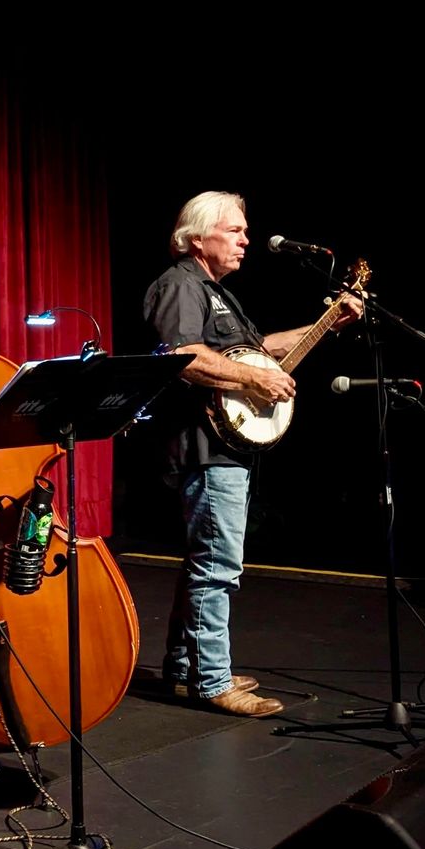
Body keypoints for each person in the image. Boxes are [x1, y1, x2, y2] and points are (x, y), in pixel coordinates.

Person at [143, 191, 361, 717]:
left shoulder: (219, 293)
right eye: (235, 230)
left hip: (224, 447)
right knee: (218, 565)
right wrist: (252, 377)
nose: (246, 240)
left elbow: (261, 350)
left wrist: (326, 324)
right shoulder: (180, 285)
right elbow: (182, 355)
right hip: (205, 447)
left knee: (207, 562)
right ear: (199, 237)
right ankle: (211, 679)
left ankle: (186, 666)